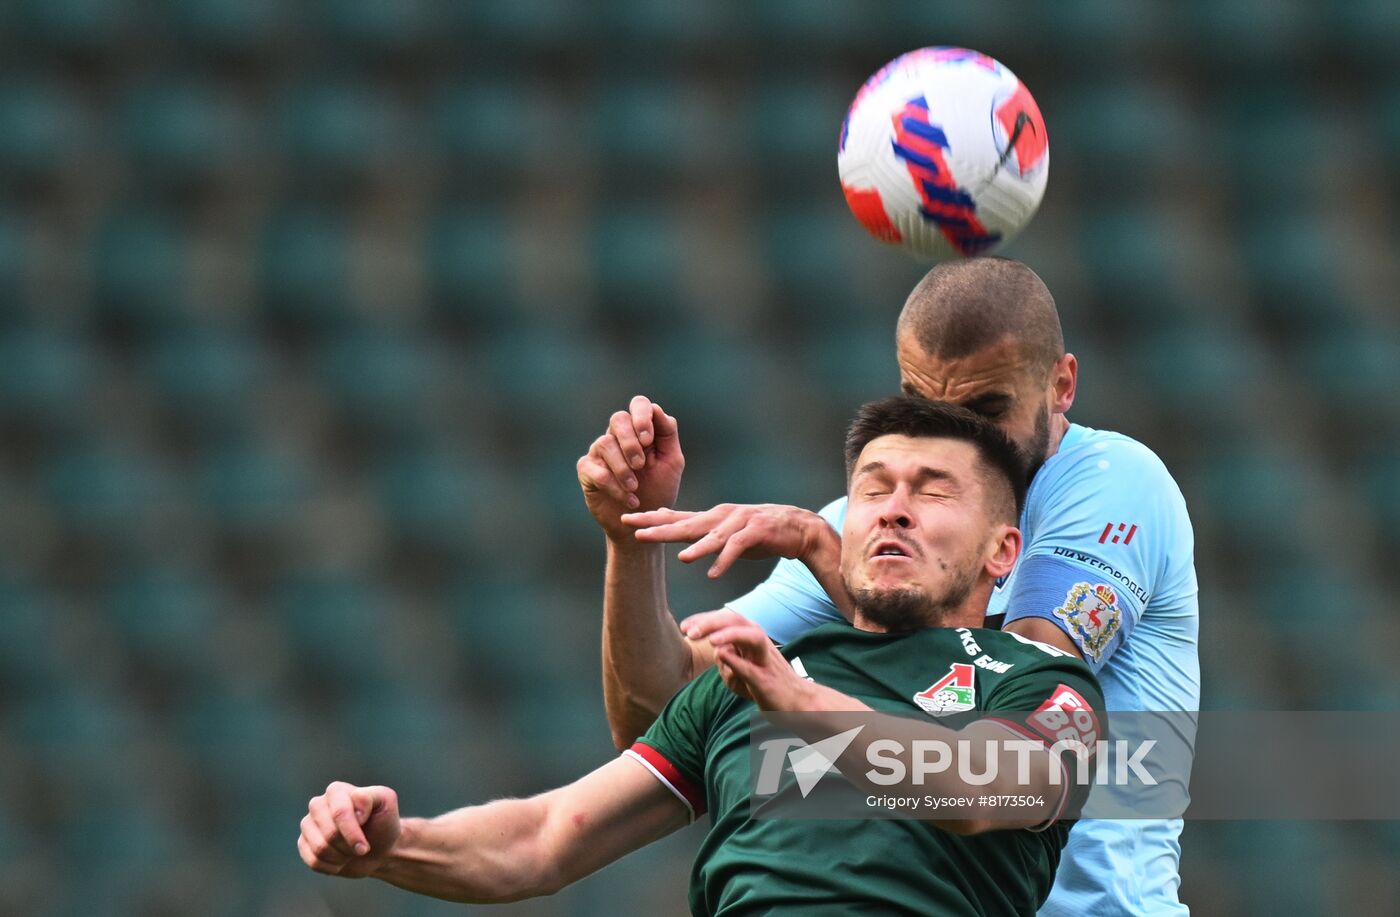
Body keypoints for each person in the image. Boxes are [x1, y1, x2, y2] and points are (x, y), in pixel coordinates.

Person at [300, 398, 1104, 915]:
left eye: (932, 491)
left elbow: (982, 786)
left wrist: (803, 708)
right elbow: (542, 838)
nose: (893, 509)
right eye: (873, 487)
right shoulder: (751, 680)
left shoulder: (1040, 684)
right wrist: (393, 845)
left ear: (1005, 551)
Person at [578, 257, 1199, 915]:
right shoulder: (872, 524)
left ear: (1061, 384)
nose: (965, 439)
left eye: (990, 409)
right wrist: (629, 538)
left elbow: (1006, 699)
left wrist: (823, 551)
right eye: (931, 407)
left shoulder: (1113, 482)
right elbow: (659, 713)